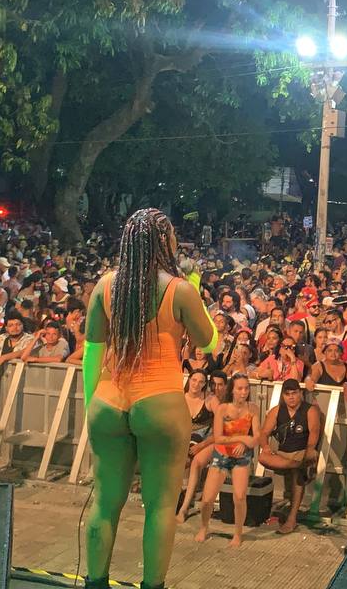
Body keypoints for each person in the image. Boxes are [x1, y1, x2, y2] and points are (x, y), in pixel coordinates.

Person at [80, 209, 217, 589]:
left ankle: (95, 582)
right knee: (159, 508)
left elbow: (92, 352)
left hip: (108, 401)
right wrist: (194, 284)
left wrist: (92, 405)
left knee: (104, 503)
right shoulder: (179, 289)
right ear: (165, 241)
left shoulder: (105, 286)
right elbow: (209, 341)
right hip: (159, 401)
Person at [196, 374, 258, 547]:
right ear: (232, 390)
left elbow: (256, 437)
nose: (244, 392)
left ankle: (238, 533)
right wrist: (242, 439)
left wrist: (245, 443)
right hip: (222, 454)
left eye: (246, 388)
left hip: (241, 457)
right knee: (207, 499)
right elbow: (218, 438)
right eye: (240, 388)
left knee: (239, 496)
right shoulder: (223, 409)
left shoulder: (253, 408)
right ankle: (204, 526)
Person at [256, 378, 322, 534]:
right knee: (262, 457)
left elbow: (314, 434)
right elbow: (263, 433)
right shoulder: (277, 410)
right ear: (283, 396)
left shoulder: (310, 410)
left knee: (298, 473)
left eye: (294, 393)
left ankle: (292, 518)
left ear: (300, 393)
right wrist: (265, 446)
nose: (291, 397)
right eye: (287, 394)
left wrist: (310, 450)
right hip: (283, 455)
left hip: (301, 451)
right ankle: (299, 466)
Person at [175, 369, 219, 523]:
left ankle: (184, 508)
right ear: (189, 380)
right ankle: (174, 499)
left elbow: (223, 426)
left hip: (207, 439)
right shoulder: (180, 397)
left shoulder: (210, 399)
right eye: (194, 380)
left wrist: (202, 445)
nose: (196, 384)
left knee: (194, 463)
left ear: (205, 384)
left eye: (201, 382)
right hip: (185, 437)